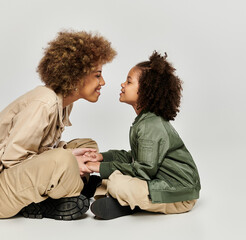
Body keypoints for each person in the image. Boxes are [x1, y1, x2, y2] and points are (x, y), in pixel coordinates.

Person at [0, 30, 116, 220]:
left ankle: (68, 193)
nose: (102, 82)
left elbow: (41, 148)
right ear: (76, 76)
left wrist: (72, 155)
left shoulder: (64, 102)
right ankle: (58, 199)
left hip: (14, 180)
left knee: (86, 147)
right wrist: (68, 160)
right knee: (63, 160)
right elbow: (13, 160)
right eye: (97, 75)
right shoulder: (44, 102)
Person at [85, 51, 201, 220]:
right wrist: (102, 157)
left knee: (117, 183)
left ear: (146, 90)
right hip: (161, 185)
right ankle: (118, 198)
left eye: (129, 81)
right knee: (115, 177)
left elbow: (143, 171)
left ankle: (120, 200)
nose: (122, 84)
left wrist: (99, 168)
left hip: (179, 195)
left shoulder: (150, 125)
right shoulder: (145, 121)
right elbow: (134, 157)